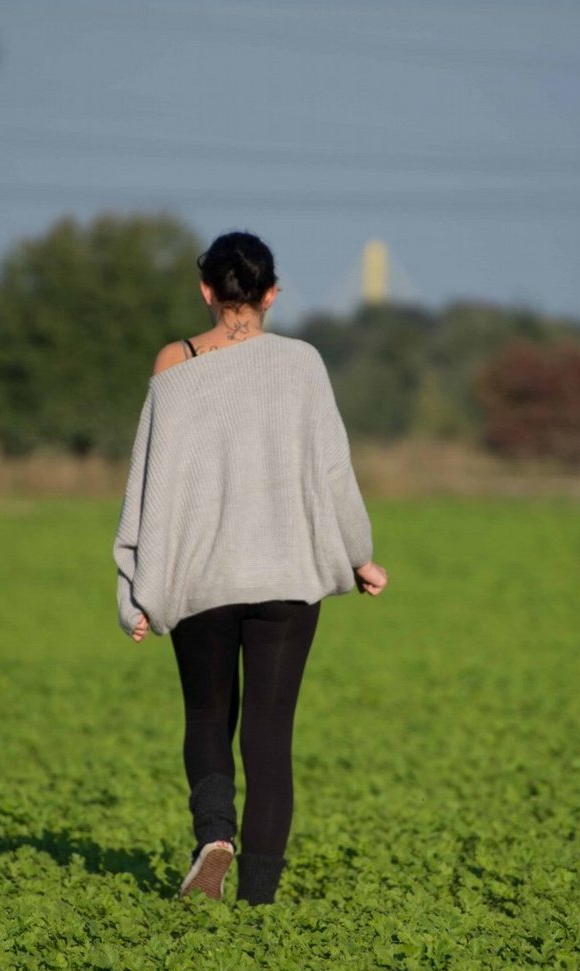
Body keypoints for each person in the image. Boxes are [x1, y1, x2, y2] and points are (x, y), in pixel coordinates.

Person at [112, 231, 387, 906]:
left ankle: (214, 837)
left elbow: (150, 484)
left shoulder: (173, 363)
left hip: (200, 576)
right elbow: (332, 472)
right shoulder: (303, 364)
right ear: (271, 293)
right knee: (270, 735)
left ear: (205, 290)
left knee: (207, 715)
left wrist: (135, 587)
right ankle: (258, 903)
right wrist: (358, 554)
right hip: (287, 577)